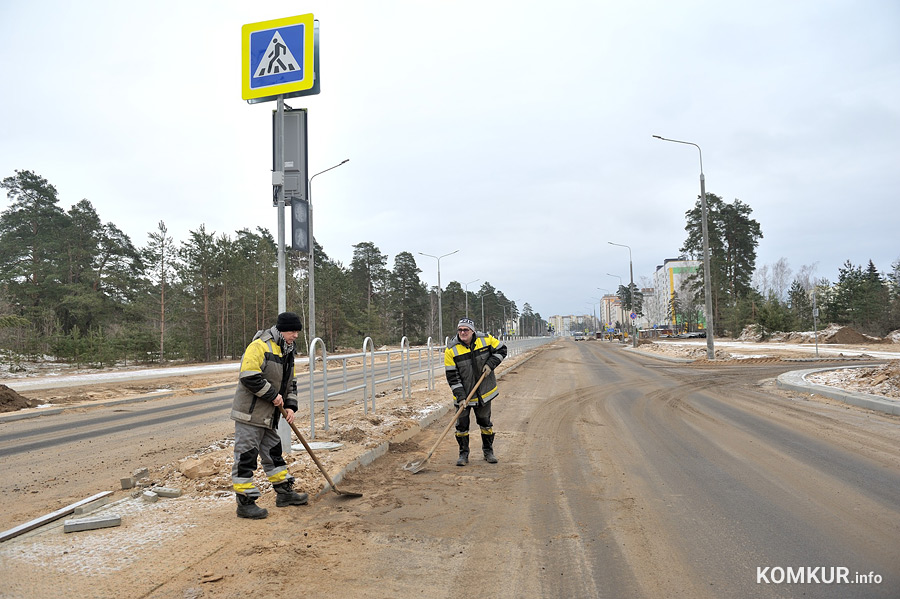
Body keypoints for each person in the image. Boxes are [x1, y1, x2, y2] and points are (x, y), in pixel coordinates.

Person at [231, 311, 309, 519]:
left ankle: (284, 494)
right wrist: (273, 395)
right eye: (293, 331)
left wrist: (290, 406)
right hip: (250, 415)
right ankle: (245, 504)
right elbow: (248, 376)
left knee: (273, 454)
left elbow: (290, 383)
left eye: (297, 331)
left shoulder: (287, 351)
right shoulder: (259, 346)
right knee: (246, 458)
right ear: (282, 330)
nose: (296, 335)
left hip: (268, 417)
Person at [444, 317, 508, 466]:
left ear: (472, 331)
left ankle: (488, 451)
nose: (462, 332)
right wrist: (460, 397)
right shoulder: (451, 349)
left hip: (484, 392)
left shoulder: (485, 339)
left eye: (465, 329)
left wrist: (491, 364)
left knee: (485, 423)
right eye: (460, 330)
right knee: (461, 426)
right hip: (463, 395)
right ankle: (463, 454)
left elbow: (502, 350)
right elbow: (452, 377)